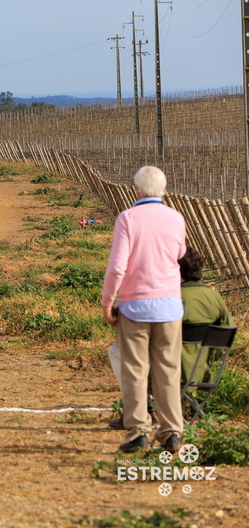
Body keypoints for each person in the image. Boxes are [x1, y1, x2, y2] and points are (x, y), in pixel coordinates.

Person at [101, 166, 186, 454]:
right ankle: (172, 431)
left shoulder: (128, 218)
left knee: (135, 370)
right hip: (170, 306)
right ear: (163, 190)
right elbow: (180, 255)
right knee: (168, 370)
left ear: (136, 190)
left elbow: (117, 266)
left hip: (135, 305)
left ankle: (138, 432)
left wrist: (108, 300)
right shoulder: (176, 218)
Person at [179, 247, 235, 385]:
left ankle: (148, 402)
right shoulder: (214, 296)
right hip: (203, 375)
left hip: (170, 373)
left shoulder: (173, 297)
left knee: (117, 350)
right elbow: (228, 329)